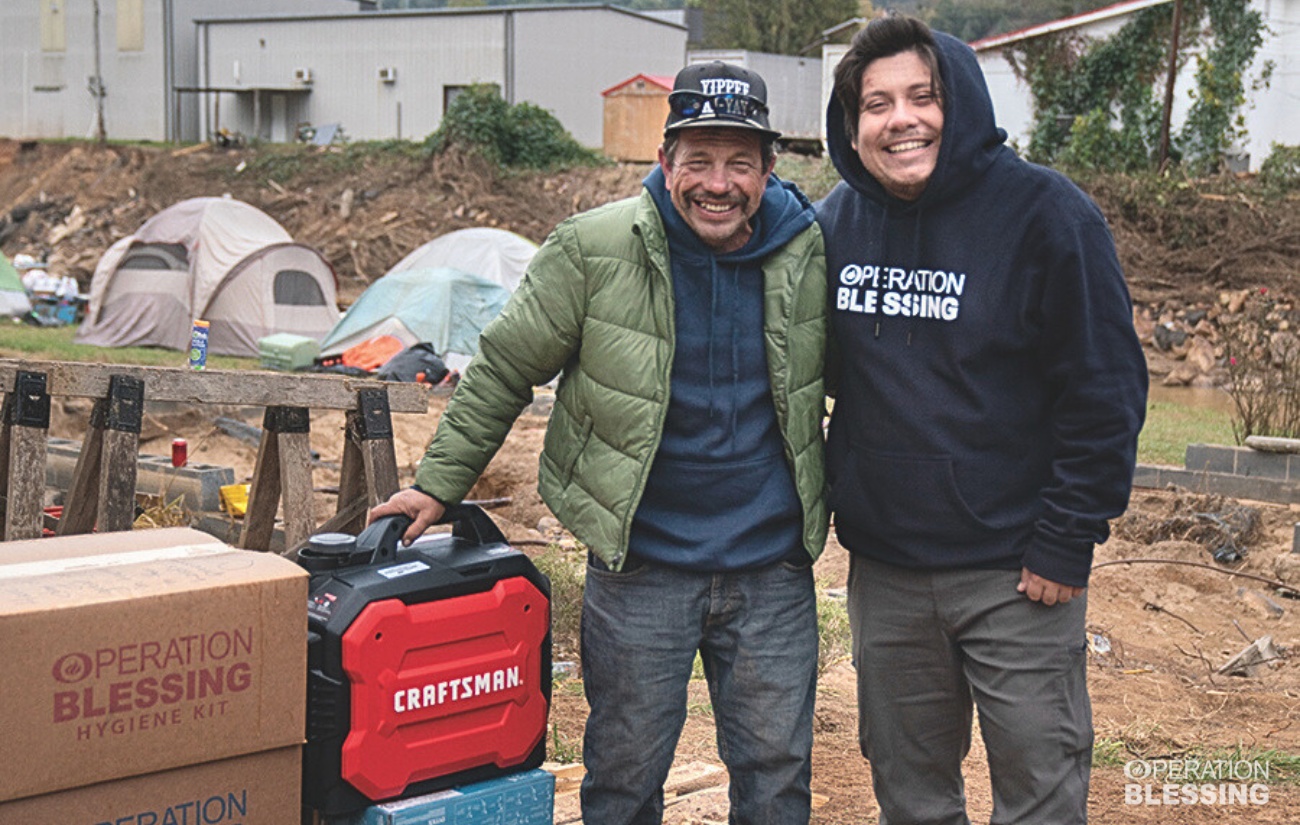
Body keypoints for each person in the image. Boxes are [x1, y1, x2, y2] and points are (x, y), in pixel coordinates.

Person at [370, 61, 829, 825]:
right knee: (623, 775)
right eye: (700, 161)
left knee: (777, 778)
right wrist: (436, 483)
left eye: (740, 163)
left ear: (770, 168)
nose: (719, 183)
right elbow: (505, 368)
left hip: (771, 570)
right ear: (665, 161)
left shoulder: (807, 251)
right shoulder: (593, 249)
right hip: (642, 564)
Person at [816, 14, 1147, 825]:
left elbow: (1104, 388)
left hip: (1017, 577)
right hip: (887, 575)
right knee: (911, 796)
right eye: (877, 103)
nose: (902, 119)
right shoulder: (833, 226)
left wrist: (1068, 536)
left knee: (1039, 794)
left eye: (922, 97)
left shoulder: (1048, 217)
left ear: (957, 102)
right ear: (851, 126)